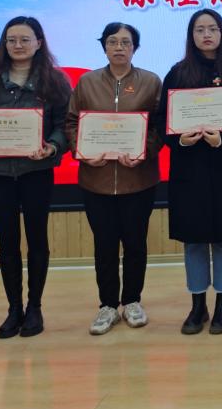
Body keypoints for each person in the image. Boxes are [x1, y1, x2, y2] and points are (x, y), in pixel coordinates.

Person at [0, 16, 71, 338]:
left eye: (25, 39)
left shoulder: (55, 81)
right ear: (4, 44)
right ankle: (13, 309)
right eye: (11, 40)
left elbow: (64, 125)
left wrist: (52, 147)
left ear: (39, 43)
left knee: (37, 239)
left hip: (37, 171)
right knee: (7, 242)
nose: (18, 45)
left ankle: (34, 307)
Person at [156, 9, 222, 335]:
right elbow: (163, 120)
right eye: (200, 30)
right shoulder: (177, 73)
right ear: (191, 35)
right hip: (190, 169)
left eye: (213, 29)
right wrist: (179, 139)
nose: (207, 35)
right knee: (194, 240)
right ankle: (197, 304)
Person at [65, 22, 162, 336]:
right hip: (96, 179)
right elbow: (71, 122)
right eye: (112, 42)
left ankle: (132, 301)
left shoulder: (151, 82)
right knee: (104, 245)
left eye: (125, 42)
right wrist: (82, 152)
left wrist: (144, 152)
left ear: (135, 47)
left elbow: (159, 127)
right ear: (104, 46)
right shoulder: (87, 82)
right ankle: (107, 305)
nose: (119, 47)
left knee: (135, 243)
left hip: (139, 179)